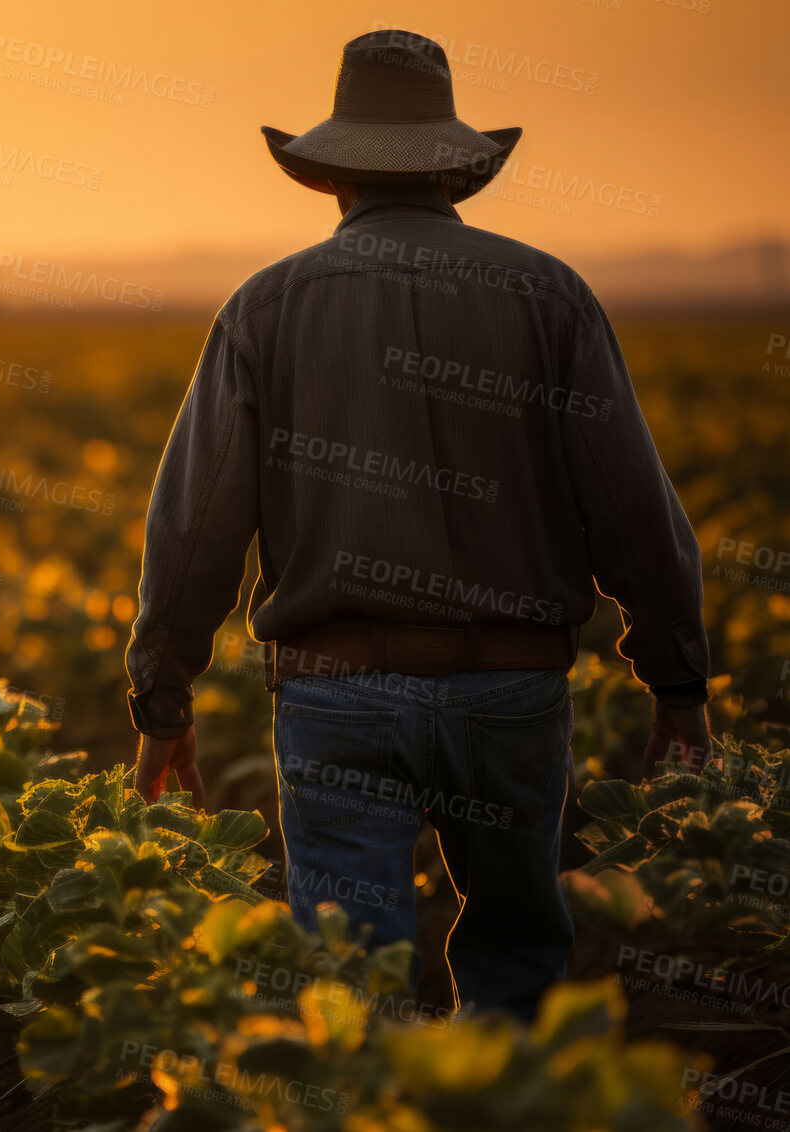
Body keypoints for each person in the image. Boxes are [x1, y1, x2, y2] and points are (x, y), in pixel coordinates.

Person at [122, 29, 712, 1022]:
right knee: (514, 974)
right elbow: (630, 510)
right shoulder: (549, 295)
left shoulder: (263, 307)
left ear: (330, 176)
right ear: (455, 173)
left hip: (334, 696)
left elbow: (193, 528)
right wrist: (676, 682)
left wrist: (160, 699)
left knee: (347, 993)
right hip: (510, 693)